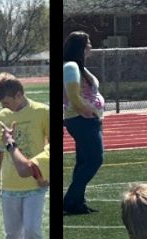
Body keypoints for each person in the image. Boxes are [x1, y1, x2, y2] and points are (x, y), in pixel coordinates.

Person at [0, 72, 50, 239]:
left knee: (33, 230)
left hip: (35, 184)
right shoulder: (2, 116)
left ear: (18, 95)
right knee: (12, 233)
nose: (4, 107)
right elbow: (0, 153)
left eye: (6, 101)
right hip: (10, 186)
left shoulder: (42, 112)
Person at [63, 31, 105, 215]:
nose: (91, 46)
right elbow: (73, 95)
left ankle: (77, 203)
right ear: (80, 46)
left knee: (83, 161)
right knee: (95, 159)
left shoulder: (78, 67)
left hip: (86, 119)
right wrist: (86, 111)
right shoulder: (71, 66)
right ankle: (69, 200)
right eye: (88, 43)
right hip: (81, 119)